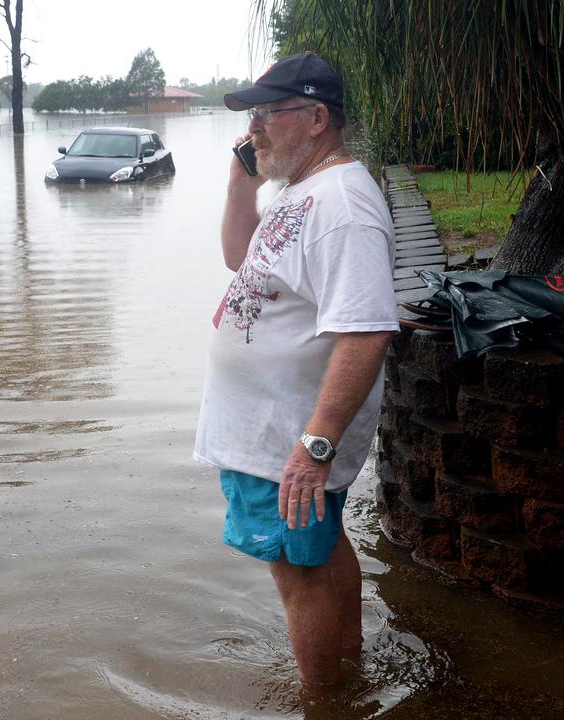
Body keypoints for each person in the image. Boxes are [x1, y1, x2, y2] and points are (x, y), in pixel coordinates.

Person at [194, 52, 398, 688]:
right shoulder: (304, 190)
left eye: (267, 115)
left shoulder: (343, 206)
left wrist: (314, 448)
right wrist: (240, 181)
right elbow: (238, 258)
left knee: (299, 575)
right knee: (323, 546)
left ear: (315, 118)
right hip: (274, 433)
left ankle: (324, 702)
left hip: (286, 439)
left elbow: (367, 332)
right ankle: (350, 668)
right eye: (251, 116)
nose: (253, 129)